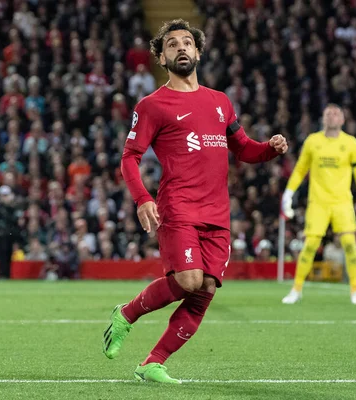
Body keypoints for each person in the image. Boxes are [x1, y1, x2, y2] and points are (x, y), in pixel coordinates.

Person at [102, 19, 288, 384]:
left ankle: (152, 363)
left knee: (205, 289)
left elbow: (244, 148)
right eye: (172, 44)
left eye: (187, 42)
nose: (181, 48)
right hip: (179, 207)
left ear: (198, 51)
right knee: (188, 280)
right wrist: (142, 198)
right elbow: (130, 156)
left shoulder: (220, 102)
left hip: (218, 213)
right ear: (161, 57)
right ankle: (126, 314)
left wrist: (269, 150)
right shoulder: (153, 105)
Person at [281, 104, 356, 305]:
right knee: (310, 245)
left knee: (350, 244)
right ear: (323, 119)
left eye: (336, 114)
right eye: (328, 114)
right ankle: (296, 289)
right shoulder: (312, 142)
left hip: (342, 202)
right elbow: (299, 170)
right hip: (318, 203)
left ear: (342, 119)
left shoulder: (351, 143)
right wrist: (288, 193)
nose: (332, 117)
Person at [0, 185, 20, 279]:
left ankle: (7, 274)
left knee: (9, 256)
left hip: (10, 236)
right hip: (0, 236)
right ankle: (1, 274)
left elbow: (15, 224)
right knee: (1, 256)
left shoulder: (12, 208)